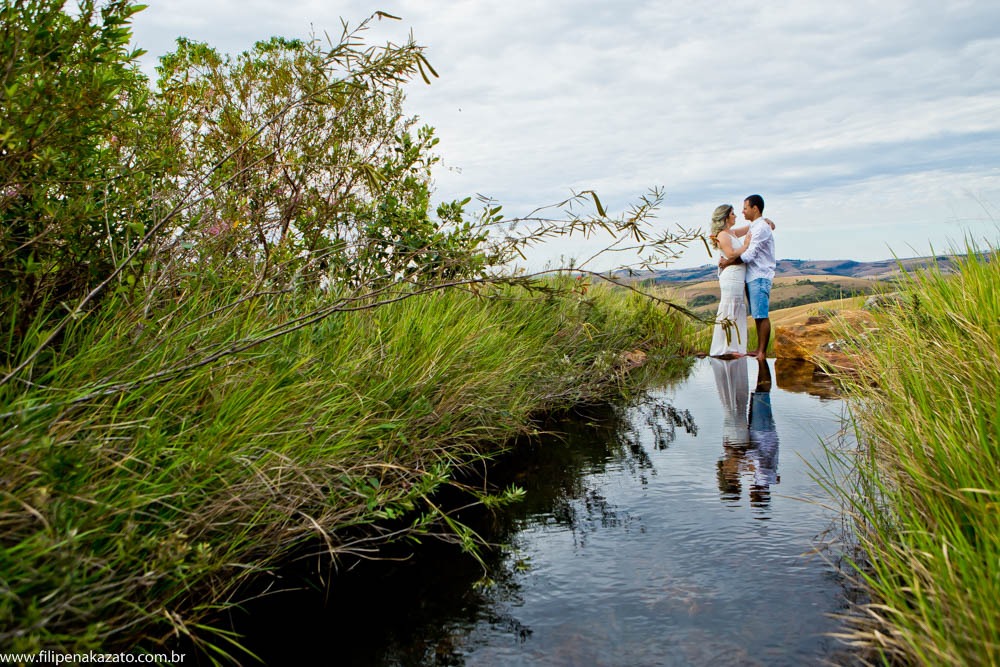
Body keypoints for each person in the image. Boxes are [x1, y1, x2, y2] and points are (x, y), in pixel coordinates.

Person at [708, 203, 774, 358]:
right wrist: (745, 245)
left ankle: (734, 346)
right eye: (732, 214)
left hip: (738, 276)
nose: (736, 215)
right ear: (725, 217)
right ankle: (725, 348)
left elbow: (751, 226)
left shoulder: (731, 232)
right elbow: (731, 254)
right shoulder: (723, 235)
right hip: (731, 275)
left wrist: (767, 221)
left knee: (736, 308)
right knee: (729, 307)